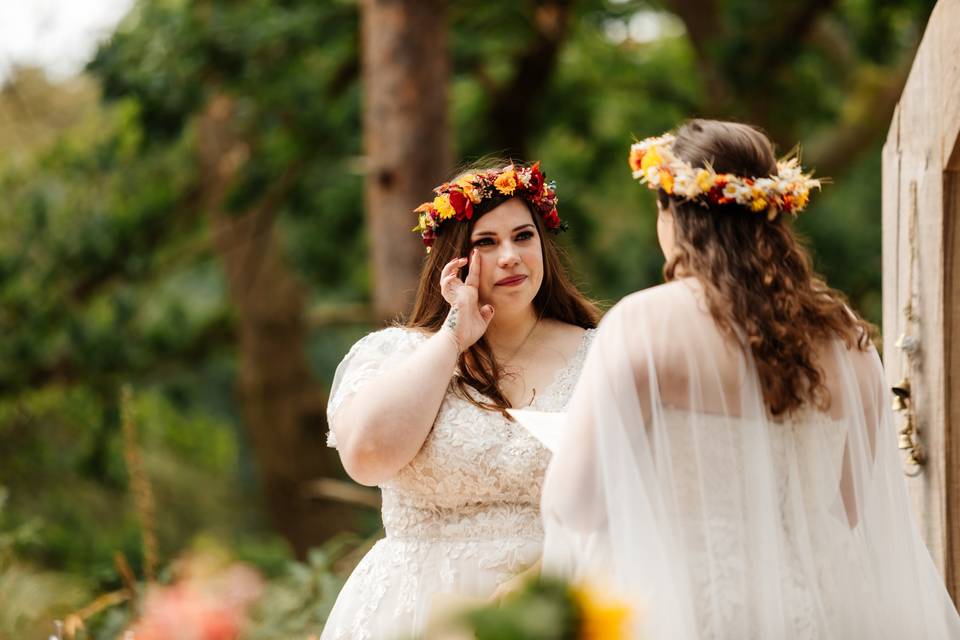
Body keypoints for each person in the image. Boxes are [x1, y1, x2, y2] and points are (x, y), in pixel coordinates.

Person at [540, 120, 960, 638]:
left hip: (691, 609)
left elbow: (574, 504)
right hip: (817, 608)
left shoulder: (642, 323)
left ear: (675, 213)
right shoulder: (844, 336)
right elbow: (849, 508)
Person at [321, 161, 600, 639]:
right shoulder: (396, 354)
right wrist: (453, 339)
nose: (510, 256)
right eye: (486, 243)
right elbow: (366, 459)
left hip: (550, 607)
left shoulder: (602, 354)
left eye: (523, 236)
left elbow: (627, 493)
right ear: (455, 260)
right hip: (412, 611)